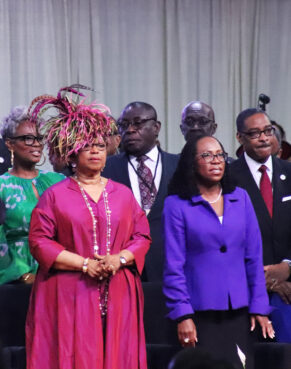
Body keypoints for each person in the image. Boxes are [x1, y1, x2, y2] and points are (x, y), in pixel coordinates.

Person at [26, 86, 151, 369]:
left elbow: (142, 236)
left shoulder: (123, 194)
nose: (95, 150)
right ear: (72, 154)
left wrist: (118, 259)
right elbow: (39, 242)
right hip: (71, 292)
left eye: (100, 145)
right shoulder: (55, 195)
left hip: (119, 290)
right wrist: (85, 265)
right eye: (87, 146)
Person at [163, 134, 274, 369]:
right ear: (191, 162)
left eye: (220, 155)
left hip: (240, 311)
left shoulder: (240, 198)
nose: (216, 161)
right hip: (200, 312)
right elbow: (174, 266)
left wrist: (259, 307)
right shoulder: (176, 205)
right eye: (207, 155)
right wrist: (183, 315)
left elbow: (254, 257)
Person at [230, 108, 291, 343]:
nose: (264, 138)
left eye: (268, 131)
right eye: (255, 133)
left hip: (288, 295)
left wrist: (288, 267)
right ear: (239, 137)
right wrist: (267, 281)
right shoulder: (227, 178)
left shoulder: (289, 173)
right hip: (243, 294)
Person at [103, 101, 179, 282]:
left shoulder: (178, 165)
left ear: (156, 127)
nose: (130, 130)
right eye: (124, 125)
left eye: (138, 123)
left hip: (171, 266)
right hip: (123, 269)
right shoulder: (106, 168)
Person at [0, 106, 64, 284]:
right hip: (16, 278)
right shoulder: (1, 186)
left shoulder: (59, 181)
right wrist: (22, 274)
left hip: (60, 273)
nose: (36, 143)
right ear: (10, 144)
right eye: (28, 139)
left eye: (38, 138)